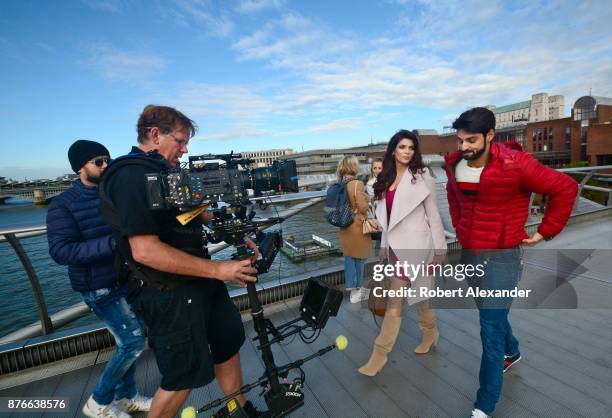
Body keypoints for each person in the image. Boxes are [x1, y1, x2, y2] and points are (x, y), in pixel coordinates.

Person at [99, 105, 263, 418]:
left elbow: (198, 216)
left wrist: (238, 234)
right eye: (181, 141)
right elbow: (145, 250)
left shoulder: (169, 173)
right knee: (183, 375)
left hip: (201, 281)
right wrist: (220, 269)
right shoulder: (129, 175)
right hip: (167, 292)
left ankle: (238, 409)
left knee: (228, 341)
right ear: (155, 134)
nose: (185, 149)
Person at [445, 107, 578, 418]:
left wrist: (545, 232)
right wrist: (460, 224)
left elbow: (565, 187)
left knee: (489, 328)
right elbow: (453, 195)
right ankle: (513, 351)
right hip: (470, 254)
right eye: (460, 140)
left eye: (472, 140)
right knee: (492, 314)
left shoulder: (516, 164)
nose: (464, 147)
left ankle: (484, 405)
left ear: (491, 135)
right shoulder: (454, 163)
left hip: (503, 257)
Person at [47, 140, 151, 418]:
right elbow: (60, 251)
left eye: (107, 160)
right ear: (80, 167)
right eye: (99, 162)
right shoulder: (63, 205)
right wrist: (114, 243)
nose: (106, 166)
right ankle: (98, 402)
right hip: (98, 286)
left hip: (125, 278)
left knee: (131, 340)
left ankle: (127, 397)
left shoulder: (111, 193)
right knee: (132, 342)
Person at [358, 130, 447, 376]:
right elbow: (388, 220)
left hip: (418, 246)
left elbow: (434, 215)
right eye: (402, 147)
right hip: (396, 248)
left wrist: (440, 249)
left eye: (411, 147)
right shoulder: (384, 179)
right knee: (421, 296)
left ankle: (379, 355)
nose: (407, 151)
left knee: (395, 299)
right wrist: (384, 246)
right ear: (393, 150)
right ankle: (430, 333)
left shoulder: (423, 176)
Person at [336, 156, 372, 303]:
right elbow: (362, 207)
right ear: (354, 167)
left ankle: (353, 290)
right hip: (357, 224)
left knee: (349, 257)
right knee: (359, 257)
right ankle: (357, 292)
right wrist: (367, 198)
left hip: (344, 225)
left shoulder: (339, 184)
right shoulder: (357, 183)